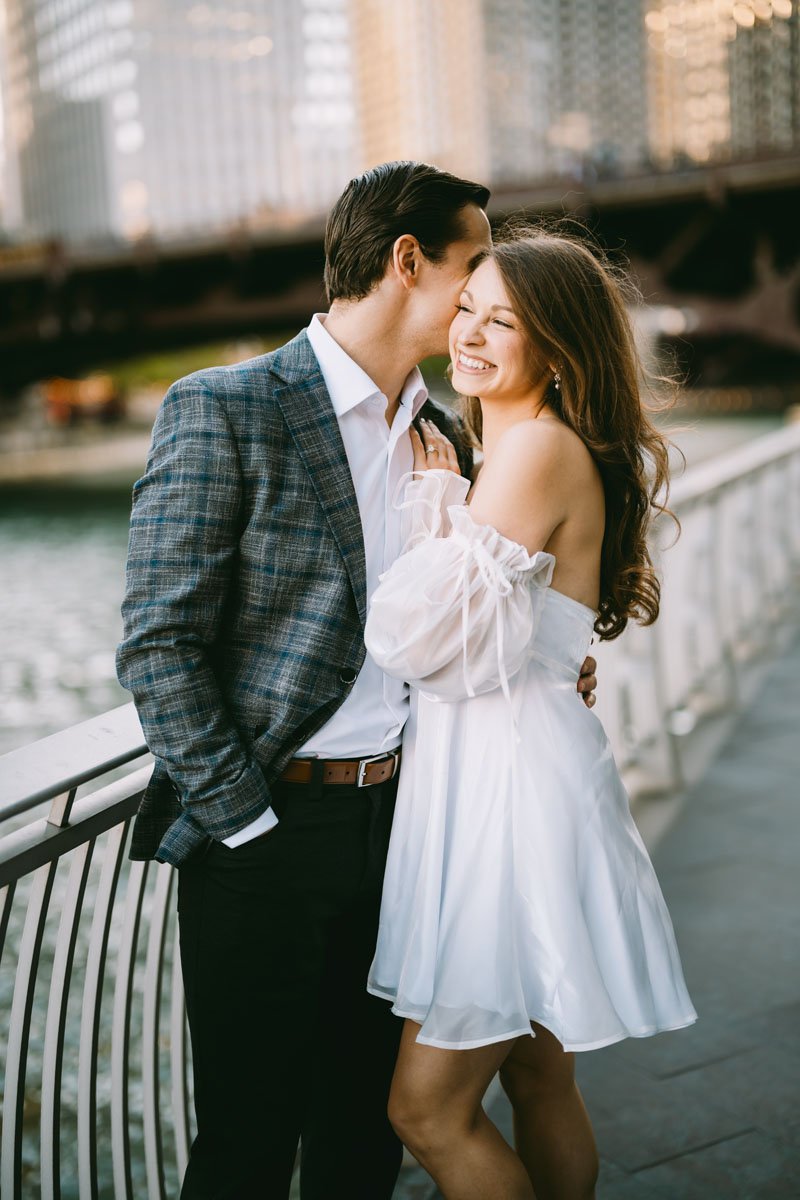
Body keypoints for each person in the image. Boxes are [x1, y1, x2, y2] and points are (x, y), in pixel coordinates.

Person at [115, 163, 599, 1200]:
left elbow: (471, 616)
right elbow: (158, 644)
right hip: (265, 838)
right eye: (472, 265)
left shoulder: (450, 434)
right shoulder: (226, 407)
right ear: (407, 260)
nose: (483, 294)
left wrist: (547, 667)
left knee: (362, 1138)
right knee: (246, 1142)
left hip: (408, 831)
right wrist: (244, 823)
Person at [364, 229, 697, 1200]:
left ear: (555, 348)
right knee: (538, 1077)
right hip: (520, 764)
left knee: (424, 1110)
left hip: (503, 795)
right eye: (465, 308)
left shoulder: (534, 450)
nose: (467, 333)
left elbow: (417, 641)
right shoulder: (507, 448)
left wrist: (428, 504)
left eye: (500, 322)